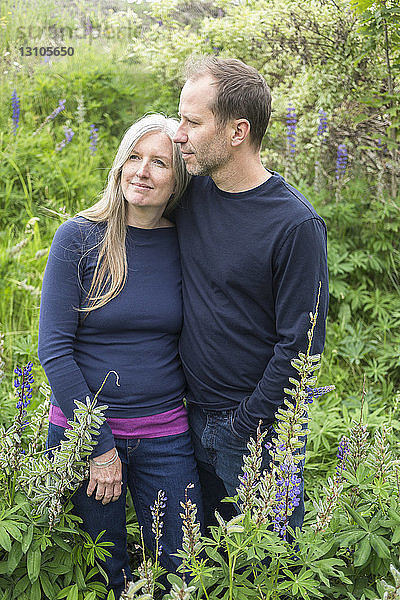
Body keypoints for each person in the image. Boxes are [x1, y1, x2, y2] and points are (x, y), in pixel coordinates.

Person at [38, 114, 203, 597]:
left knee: (183, 569)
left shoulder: (186, 240)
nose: (142, 171)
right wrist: (99, 444)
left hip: (165, 434)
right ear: (118, 165)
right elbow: (54, 351)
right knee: (99, 576)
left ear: (178, 178)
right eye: (134, 156)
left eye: (159, 163)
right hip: (83, 439)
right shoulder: (80, 237)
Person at [172, 56, 329, 532]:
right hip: (184, 417)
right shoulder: (192, 193)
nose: (179, 133)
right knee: (202, 568)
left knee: (270, 569)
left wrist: (245, 429)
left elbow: (302, 348)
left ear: (237, 131)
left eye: (193, 122)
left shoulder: (295, 225)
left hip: (258, 432)